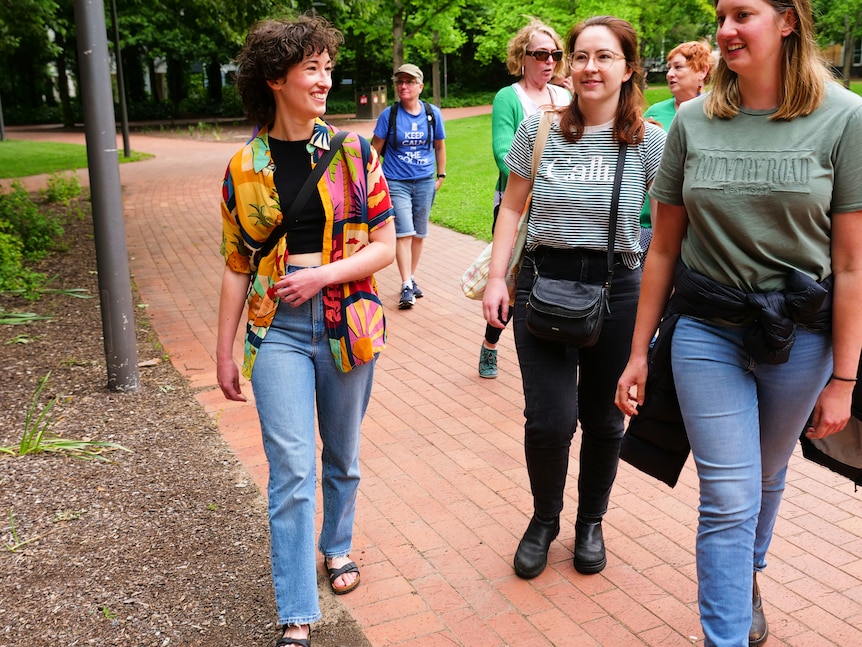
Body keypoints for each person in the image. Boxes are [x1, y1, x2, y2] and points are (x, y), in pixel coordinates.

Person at [615, 0, 862, 644]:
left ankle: (745, 574)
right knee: (727, 494)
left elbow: (852, 263)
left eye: (742, 13)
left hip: (800, 336)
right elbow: (663, 247)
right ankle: (723, 635)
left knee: (767, 473)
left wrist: (845, 378)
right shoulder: (694, 122)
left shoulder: (845, 118)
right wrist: (640, 351)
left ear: (787, 21)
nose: (725, 29)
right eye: (720, 15)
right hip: (706, 329)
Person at [216, 15, 395, 647]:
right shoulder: (243, 166)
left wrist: (324, 276)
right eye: (311, 69)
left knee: (341, 456)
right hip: (279, 334)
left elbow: (385, 248)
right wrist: (224, 352)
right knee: (290, 467)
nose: (324, 80)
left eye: (326, 67)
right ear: (275, 78)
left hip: (348, 324)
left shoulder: (353, 152)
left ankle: (337, 544)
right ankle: (296, 607)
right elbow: (238, 265)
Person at [482, 15, 666, 579]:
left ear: (628, 67)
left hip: (618, 290)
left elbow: (665, 233)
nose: (589, 67)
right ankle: (544, 518)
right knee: (548, 420)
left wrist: (659, 316)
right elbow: (512, 206)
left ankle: (591, 520)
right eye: (581, 56)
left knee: (606, 419)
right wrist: (497, 278)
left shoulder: (651, 141)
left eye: (604, 56)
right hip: (542, 285)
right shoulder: (539, 129)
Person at [477, 18, 571, 379]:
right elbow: (504, 153)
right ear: (522, 57)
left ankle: (554, 347)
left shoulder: (565, 97)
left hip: (560, 205)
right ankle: (490, 345)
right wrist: (548, 177)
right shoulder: (509, 97)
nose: (549, 61)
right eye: (540, 54)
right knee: (514, 284)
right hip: (517, 205)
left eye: (555, 55)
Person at [371, 64, 446, 310]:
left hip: (425, 181)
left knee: (419, 233)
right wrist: (374, 178)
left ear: (420, 87)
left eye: (409, 82)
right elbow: (375, 150)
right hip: (396, 181)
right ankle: (405, 283)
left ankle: (410, 278)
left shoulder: (432, 113)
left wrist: (441, 175)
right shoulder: (389, 115)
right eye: (400, 82)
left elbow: (439, 146)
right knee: (404, 231)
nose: (404, 86)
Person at [639, 41, 714, 254]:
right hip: (648, 224)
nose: (670, 73)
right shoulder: (655, 112)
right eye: (669, 67)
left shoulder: (716, 114)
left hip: (694, 228)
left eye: (678, 67)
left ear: (702, 71)